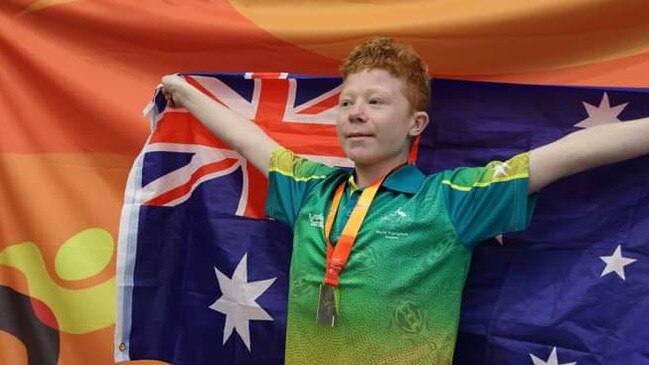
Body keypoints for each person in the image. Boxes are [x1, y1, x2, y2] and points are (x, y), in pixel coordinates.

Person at [161, 37, 649, 364]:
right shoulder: (310, 187)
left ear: (416, 124)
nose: (356, 114)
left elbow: (565, 155)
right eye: (347, 102)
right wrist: (184, 92)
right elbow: (249, 140)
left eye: (376, 102)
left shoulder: (452, 200)